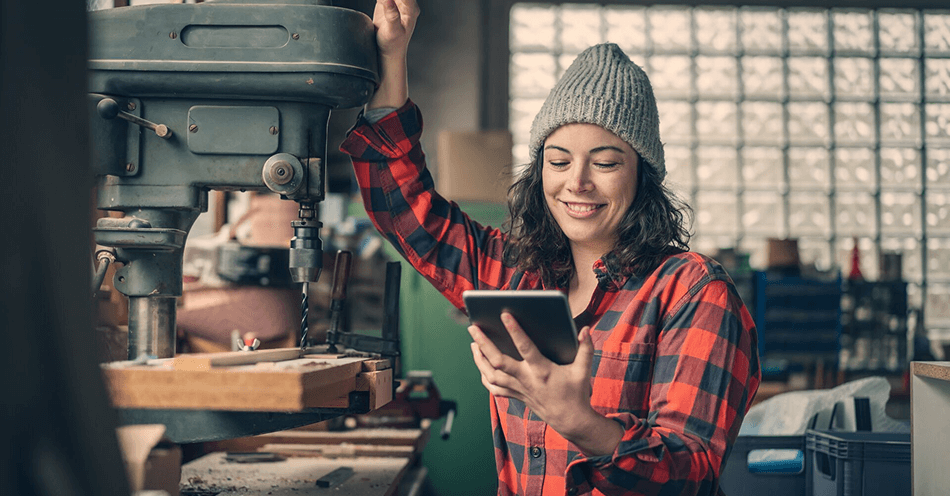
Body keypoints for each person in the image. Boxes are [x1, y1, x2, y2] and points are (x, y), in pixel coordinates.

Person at [340, 1, 761, 494]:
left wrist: (577, 421)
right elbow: (405, 212)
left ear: (642, 176)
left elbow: (690, 474)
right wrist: (393, 57)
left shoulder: (692, 292)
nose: (576, 183)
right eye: (558, 161)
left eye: (604, 163)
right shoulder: (515, 272)